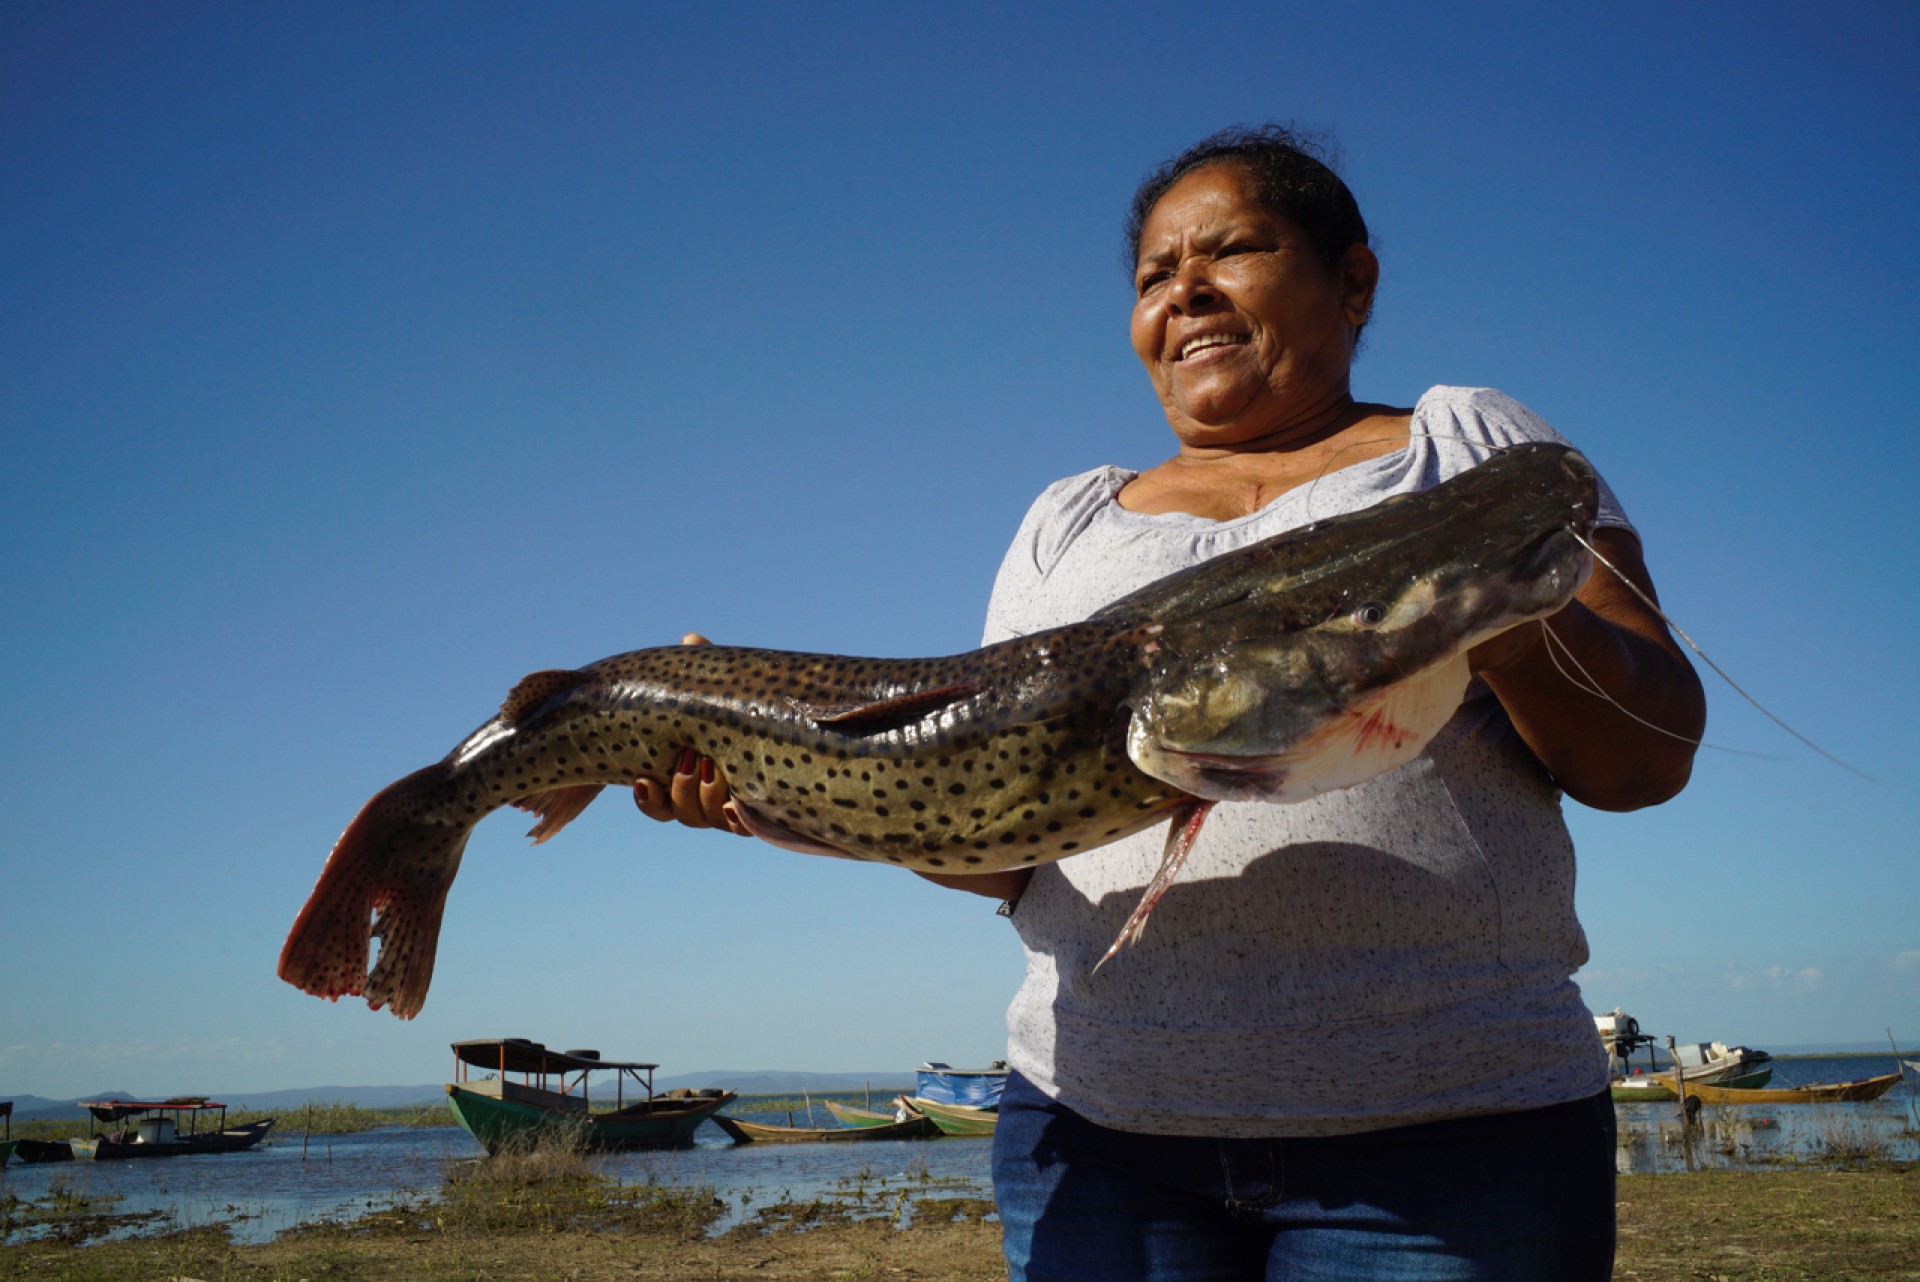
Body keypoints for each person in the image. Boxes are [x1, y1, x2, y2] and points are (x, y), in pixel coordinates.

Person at [635, 125, 1705, 1281]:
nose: (1185, 289)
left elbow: (1646, 759)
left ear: (1353, 281)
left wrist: (1492, 614)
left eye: (1232, 250)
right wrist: (790, 791)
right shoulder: (1068, 519)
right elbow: (1006, 848)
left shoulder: (1471, 450)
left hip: (1455, 1140)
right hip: (1098, 1142)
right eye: (1154, 275)